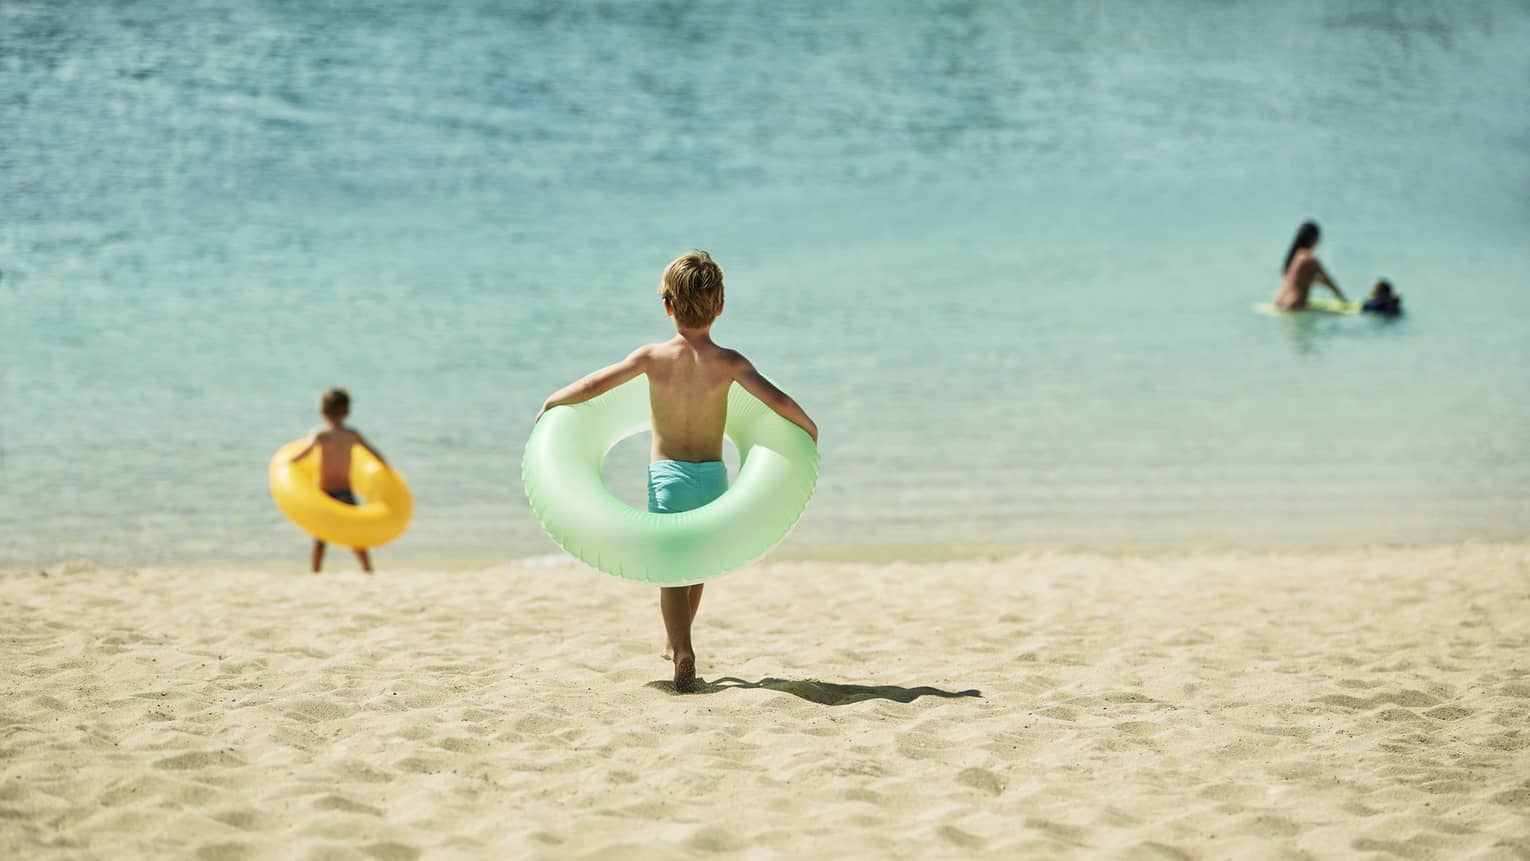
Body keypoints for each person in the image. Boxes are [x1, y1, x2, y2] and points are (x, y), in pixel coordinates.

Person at [534, 251, 818, 692]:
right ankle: (679, 639)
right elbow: (777, 401)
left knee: (671, 570)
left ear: (667, 305)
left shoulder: (652, 357)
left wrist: (554, 401)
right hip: (712, 477)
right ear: (721, 304)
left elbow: (595, 385)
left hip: (667, 477)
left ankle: (681, 647)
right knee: (698, 562)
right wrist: (808, 427)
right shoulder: (730, 362)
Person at [288, 387, 389, 574]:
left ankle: (315, 572)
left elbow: (304, 453)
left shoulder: (320, 435)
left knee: (320, 538)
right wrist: (386, 468)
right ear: (347, 412)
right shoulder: (352, 435)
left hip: (325, 492)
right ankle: (368, 569)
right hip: (345, 491)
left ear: (323, 411)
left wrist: (287, 464)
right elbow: (375, 453)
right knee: (355, 534)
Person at [1273, 220, 1347, 311]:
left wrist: (1318, 281)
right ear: (1312, 238)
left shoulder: (1295, 257)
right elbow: (1328, 280)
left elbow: (1299, 280)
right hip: (1294, 305)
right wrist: (1342, 298)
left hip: (1279, 302)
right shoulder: (1310, 259)